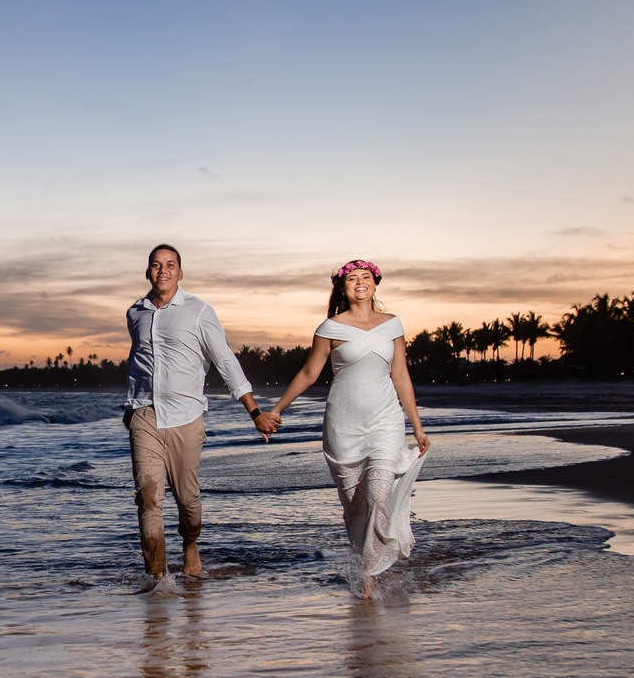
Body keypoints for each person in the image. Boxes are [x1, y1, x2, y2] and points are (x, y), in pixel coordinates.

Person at [269, 259, 430, 597]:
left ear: (375, 283)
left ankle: (369, 575)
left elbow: (400, 375)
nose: (360, 282)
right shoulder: (330, 328)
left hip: (386, 420)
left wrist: (417, 426)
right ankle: (364, 558)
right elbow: (309, 374)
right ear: (342, 287)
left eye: (366, 277)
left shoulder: (393, 325)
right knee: (355, 505)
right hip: (344, 425)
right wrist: (278, 409)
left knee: (378, 495)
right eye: (353, 278)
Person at [124, 244, 280, 581]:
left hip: (185, 418)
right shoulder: (135, 312)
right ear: (147, 271)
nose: (162, 270)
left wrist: (254, 412)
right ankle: (158, 581)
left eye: (170, 265)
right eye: (155, 264)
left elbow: (225, 361)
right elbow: (138, 364)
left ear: (180, 272)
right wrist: (132, 407)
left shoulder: (199, 311)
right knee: (148, 497)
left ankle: (191, 541)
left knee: (188, 501)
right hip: (145, 416)